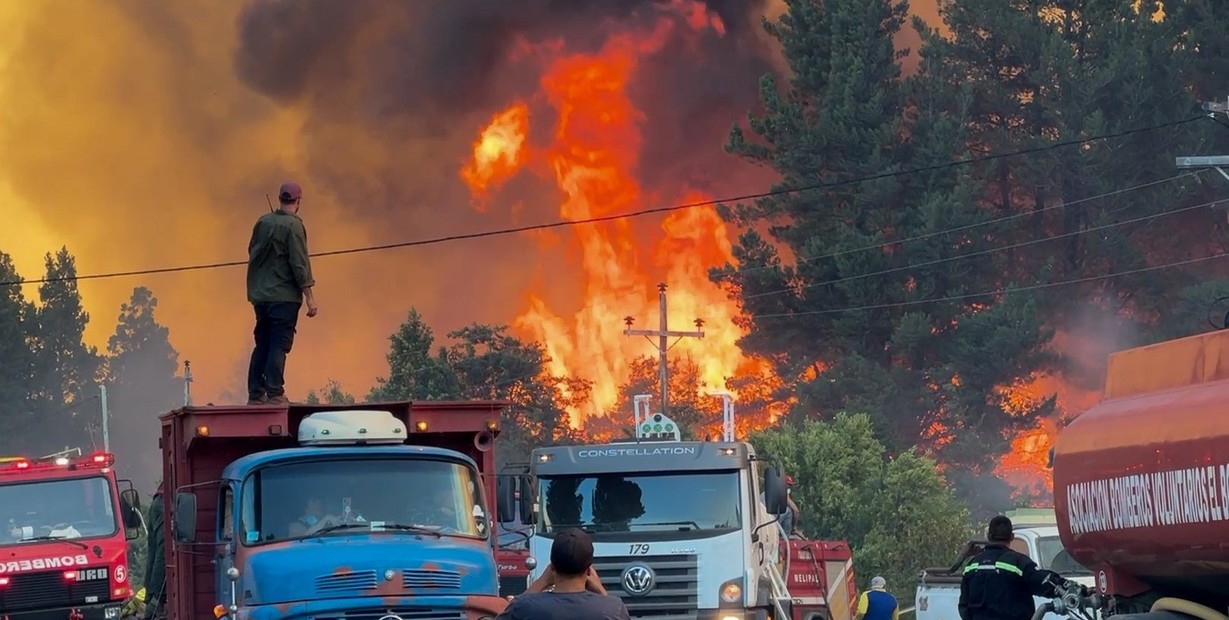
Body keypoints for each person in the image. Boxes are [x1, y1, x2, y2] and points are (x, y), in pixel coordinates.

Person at [246, 181, 318, 406]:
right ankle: (275, 393)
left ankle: (256, 394)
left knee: (263, 343)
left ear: (280, 199)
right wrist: (309, 298)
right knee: (279, 344)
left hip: (260, 296)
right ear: (298, 201)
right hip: (284, 297)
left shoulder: (262, 222)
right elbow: (299, 263)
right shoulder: (294, 226)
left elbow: (252, 250)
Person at [959, 516, 1081, 620]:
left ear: (989, 536)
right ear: (1011, 536)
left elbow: (964, 606)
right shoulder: (1018, 563)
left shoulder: (971, 565)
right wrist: (1079, 589)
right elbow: (1046, 582)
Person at [497, 528, 629, 620]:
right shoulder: (613, 608)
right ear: (589, 570)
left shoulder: (524, 607)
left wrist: (541, 582)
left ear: (552, 567)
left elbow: (511, 611)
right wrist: (600, 589)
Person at [143, 482, 166, 620]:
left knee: (155, 551)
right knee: (163, 552)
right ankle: (156, 600)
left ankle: (149, 598)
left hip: (159, 502)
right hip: (164, 503)